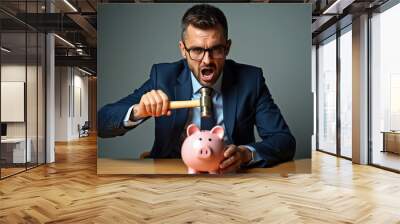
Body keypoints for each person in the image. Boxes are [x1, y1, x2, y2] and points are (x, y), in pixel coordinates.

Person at [98, 4, 296, 173]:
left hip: (230, 179)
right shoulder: (164, 77)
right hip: (172, 176)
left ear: (227, 48)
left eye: (216, 49)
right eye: (197, 50)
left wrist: (245, 154)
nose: (207, 60)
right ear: (183, 50)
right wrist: (138, 111)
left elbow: (284, 141)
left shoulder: (250, 80)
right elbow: (102, 121)